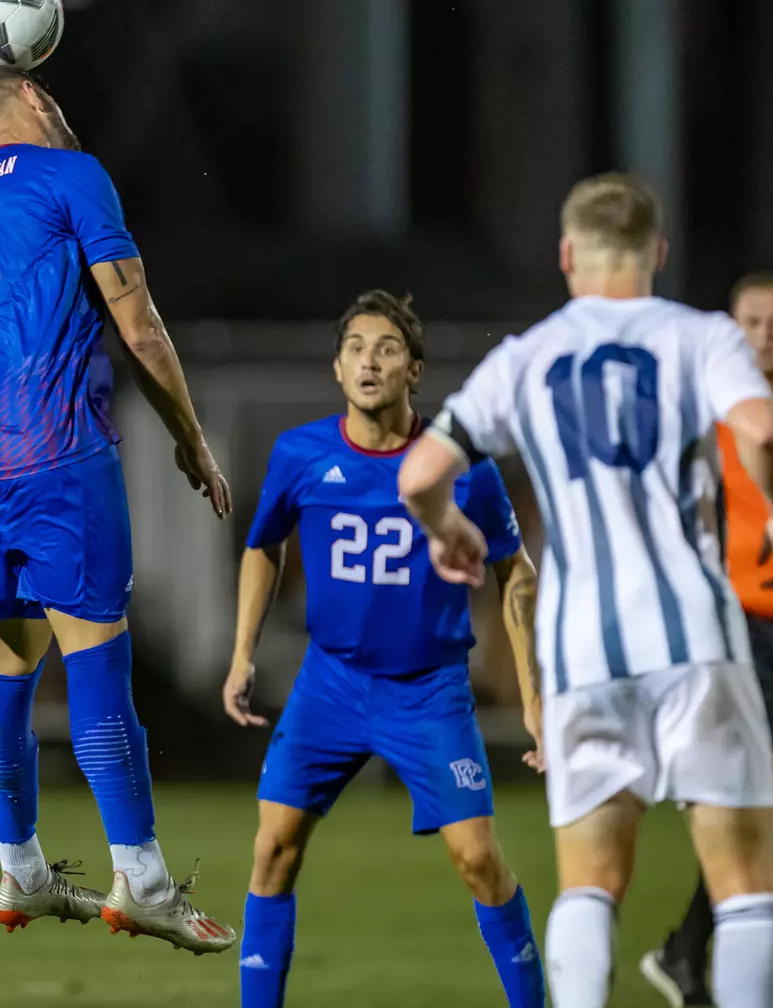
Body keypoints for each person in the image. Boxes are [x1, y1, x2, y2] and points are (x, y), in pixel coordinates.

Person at [0, 64, 237, 952]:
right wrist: (190, 437)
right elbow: (138, 322)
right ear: (33, 101)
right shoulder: (75, 174)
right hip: (57, 450)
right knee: (98, 666)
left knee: (7, 664)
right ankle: (142, 880)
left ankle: (21, 872)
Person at [400, 174, 773, 1008]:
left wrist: (447, 531)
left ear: (568, 254)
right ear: (658, 253)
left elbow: (421, 472)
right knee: (745, 880)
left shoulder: (526, 357)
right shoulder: (701, 336)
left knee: (591, 882)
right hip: (699, 638)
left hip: (582, 649)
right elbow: (760, 429)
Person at [221, 290, 545, 1006]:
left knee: (478, 861)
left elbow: (513, 571)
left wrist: (534, 695)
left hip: (428, 689)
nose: (371, 359)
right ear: (338, 369)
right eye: (357, 348)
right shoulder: (300, 453)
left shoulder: (466, 469)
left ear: (415, 372)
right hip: (329, 684)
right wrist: (242, 653)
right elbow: (262, 545)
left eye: (388, 348)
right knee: (272, 850)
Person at [643, 270, 773, 1006]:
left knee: (762, 816)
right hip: (740, 631)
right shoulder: (710, 419)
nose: (765, 335)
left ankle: (686, 950)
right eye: (753, 322)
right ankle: (705, 956)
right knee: (762, 808)